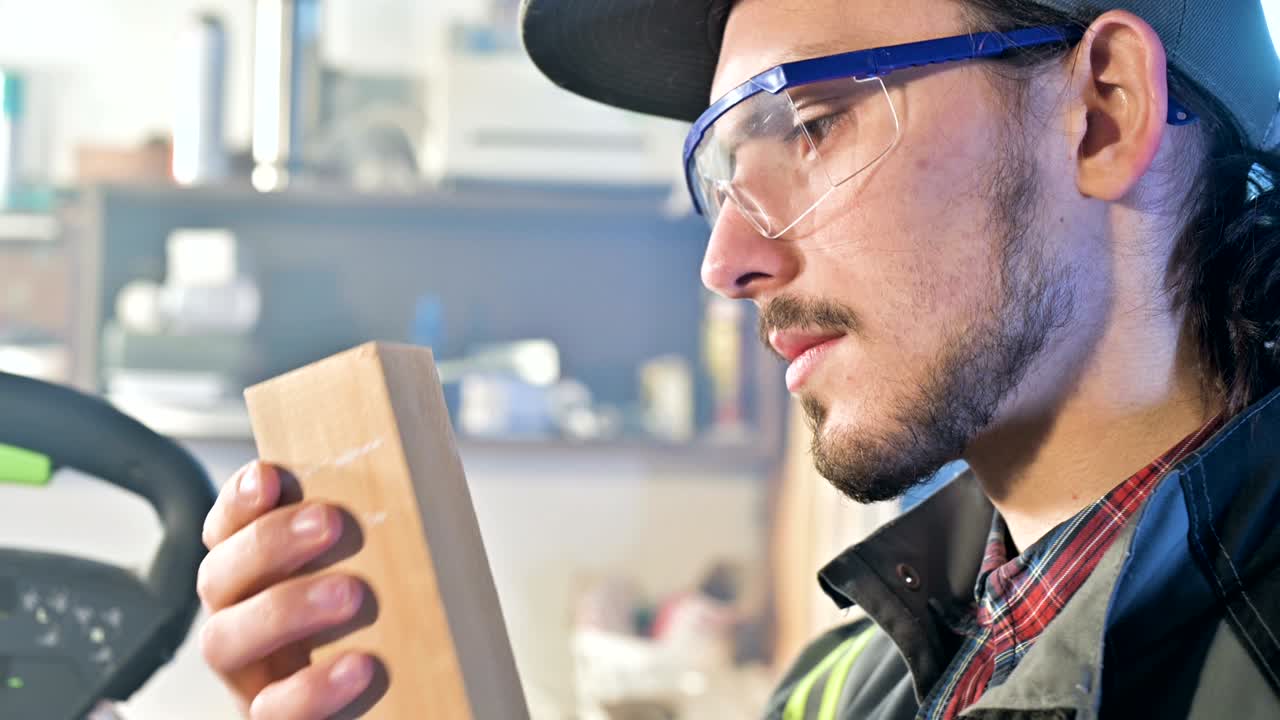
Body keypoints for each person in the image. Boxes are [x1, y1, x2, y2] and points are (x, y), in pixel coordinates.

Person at [195, 0, 1280, 717]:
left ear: (1101, 113)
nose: (725, 260)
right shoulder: (845, 683)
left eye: (809, 123)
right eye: (723, 167)